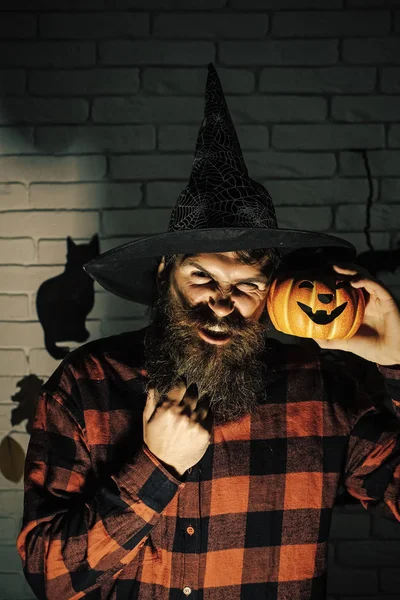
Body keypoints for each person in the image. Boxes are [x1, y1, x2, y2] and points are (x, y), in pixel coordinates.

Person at [17, 64, 400, 600]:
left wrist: (398, 364)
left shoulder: (321, 391)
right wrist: (158, 467)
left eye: (247, 283)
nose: (222, 303)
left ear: (271, 291)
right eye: (202, 276)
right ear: (163, 274)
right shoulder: (86, 385)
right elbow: (50, 577)